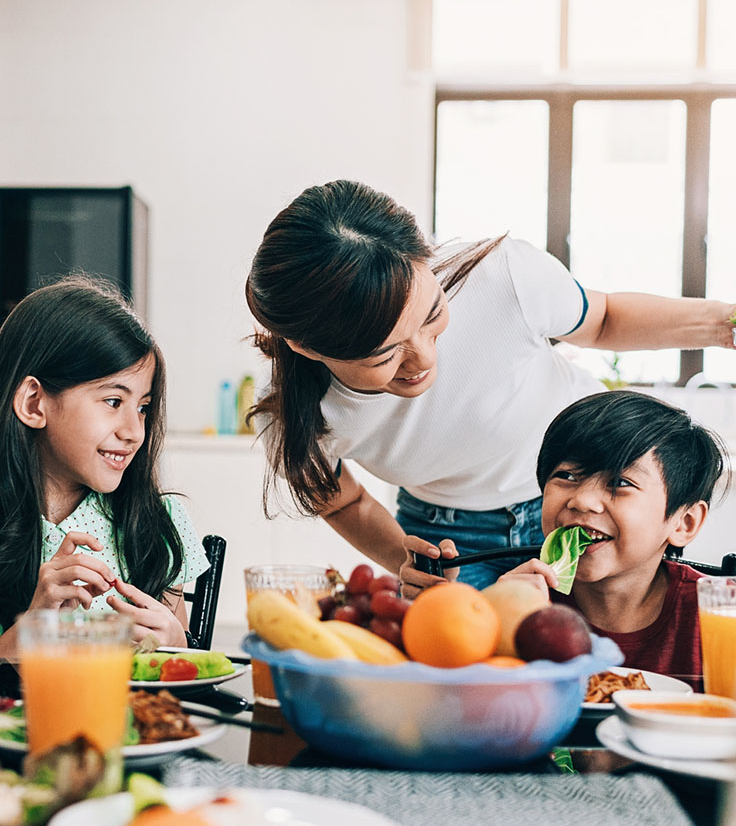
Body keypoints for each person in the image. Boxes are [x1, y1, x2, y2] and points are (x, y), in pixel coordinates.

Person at [246, 179, 736, 595]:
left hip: (595, 493)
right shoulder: (292, 415)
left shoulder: (501, 277)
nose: (424, 359)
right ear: (306, 347)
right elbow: (344, 501)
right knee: (475, 683)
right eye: (385, 354)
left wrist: (723, 325)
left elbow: (603, 320)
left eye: (433, 316)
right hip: (451, 537)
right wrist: (406, 560)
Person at [0, 277, 209, 654]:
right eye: (113, 402)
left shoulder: (157, 522)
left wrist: (175, 643)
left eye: (144, 408)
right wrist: (34, 629)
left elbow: (177, 673)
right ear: (34, 403)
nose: (135, 432)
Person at [500, 391, 725, 680]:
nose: (582, 501)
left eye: (620, 482)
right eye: (566, 476)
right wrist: (501, 626)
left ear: (684, 523)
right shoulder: (524, 603)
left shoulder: (716, 615)